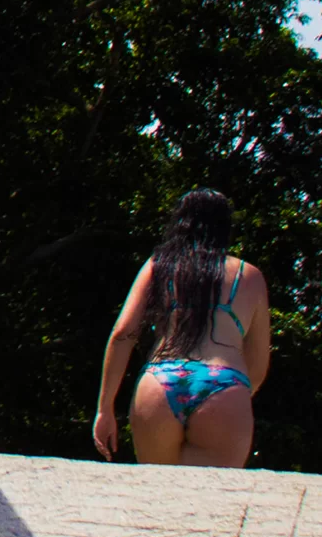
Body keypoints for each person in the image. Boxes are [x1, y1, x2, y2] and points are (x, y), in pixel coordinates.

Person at [94, 188, 272, 467]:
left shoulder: (158, 266)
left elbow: (123, 334)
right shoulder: (249, 276)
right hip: (223, 382)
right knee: (211, 503)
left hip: (160, 380)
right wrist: (229, 399)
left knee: (160, 498)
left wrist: (104, 409)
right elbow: (259, 364)